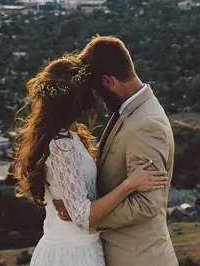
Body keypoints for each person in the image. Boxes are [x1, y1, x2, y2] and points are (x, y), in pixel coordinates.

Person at [13, 55, 168, 266]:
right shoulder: (61, 146)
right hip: (72, 254)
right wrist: (130, 184)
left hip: (83, 248)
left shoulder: (70, 136)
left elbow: (80, 201)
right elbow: (83, 216)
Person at [53, 36, 178, 266]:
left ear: (109, 81)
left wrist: (86, 217)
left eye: (98, 90)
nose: (98, 98)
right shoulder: (131, 110)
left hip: (138, 259)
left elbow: (146, 204)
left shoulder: (146, 125)